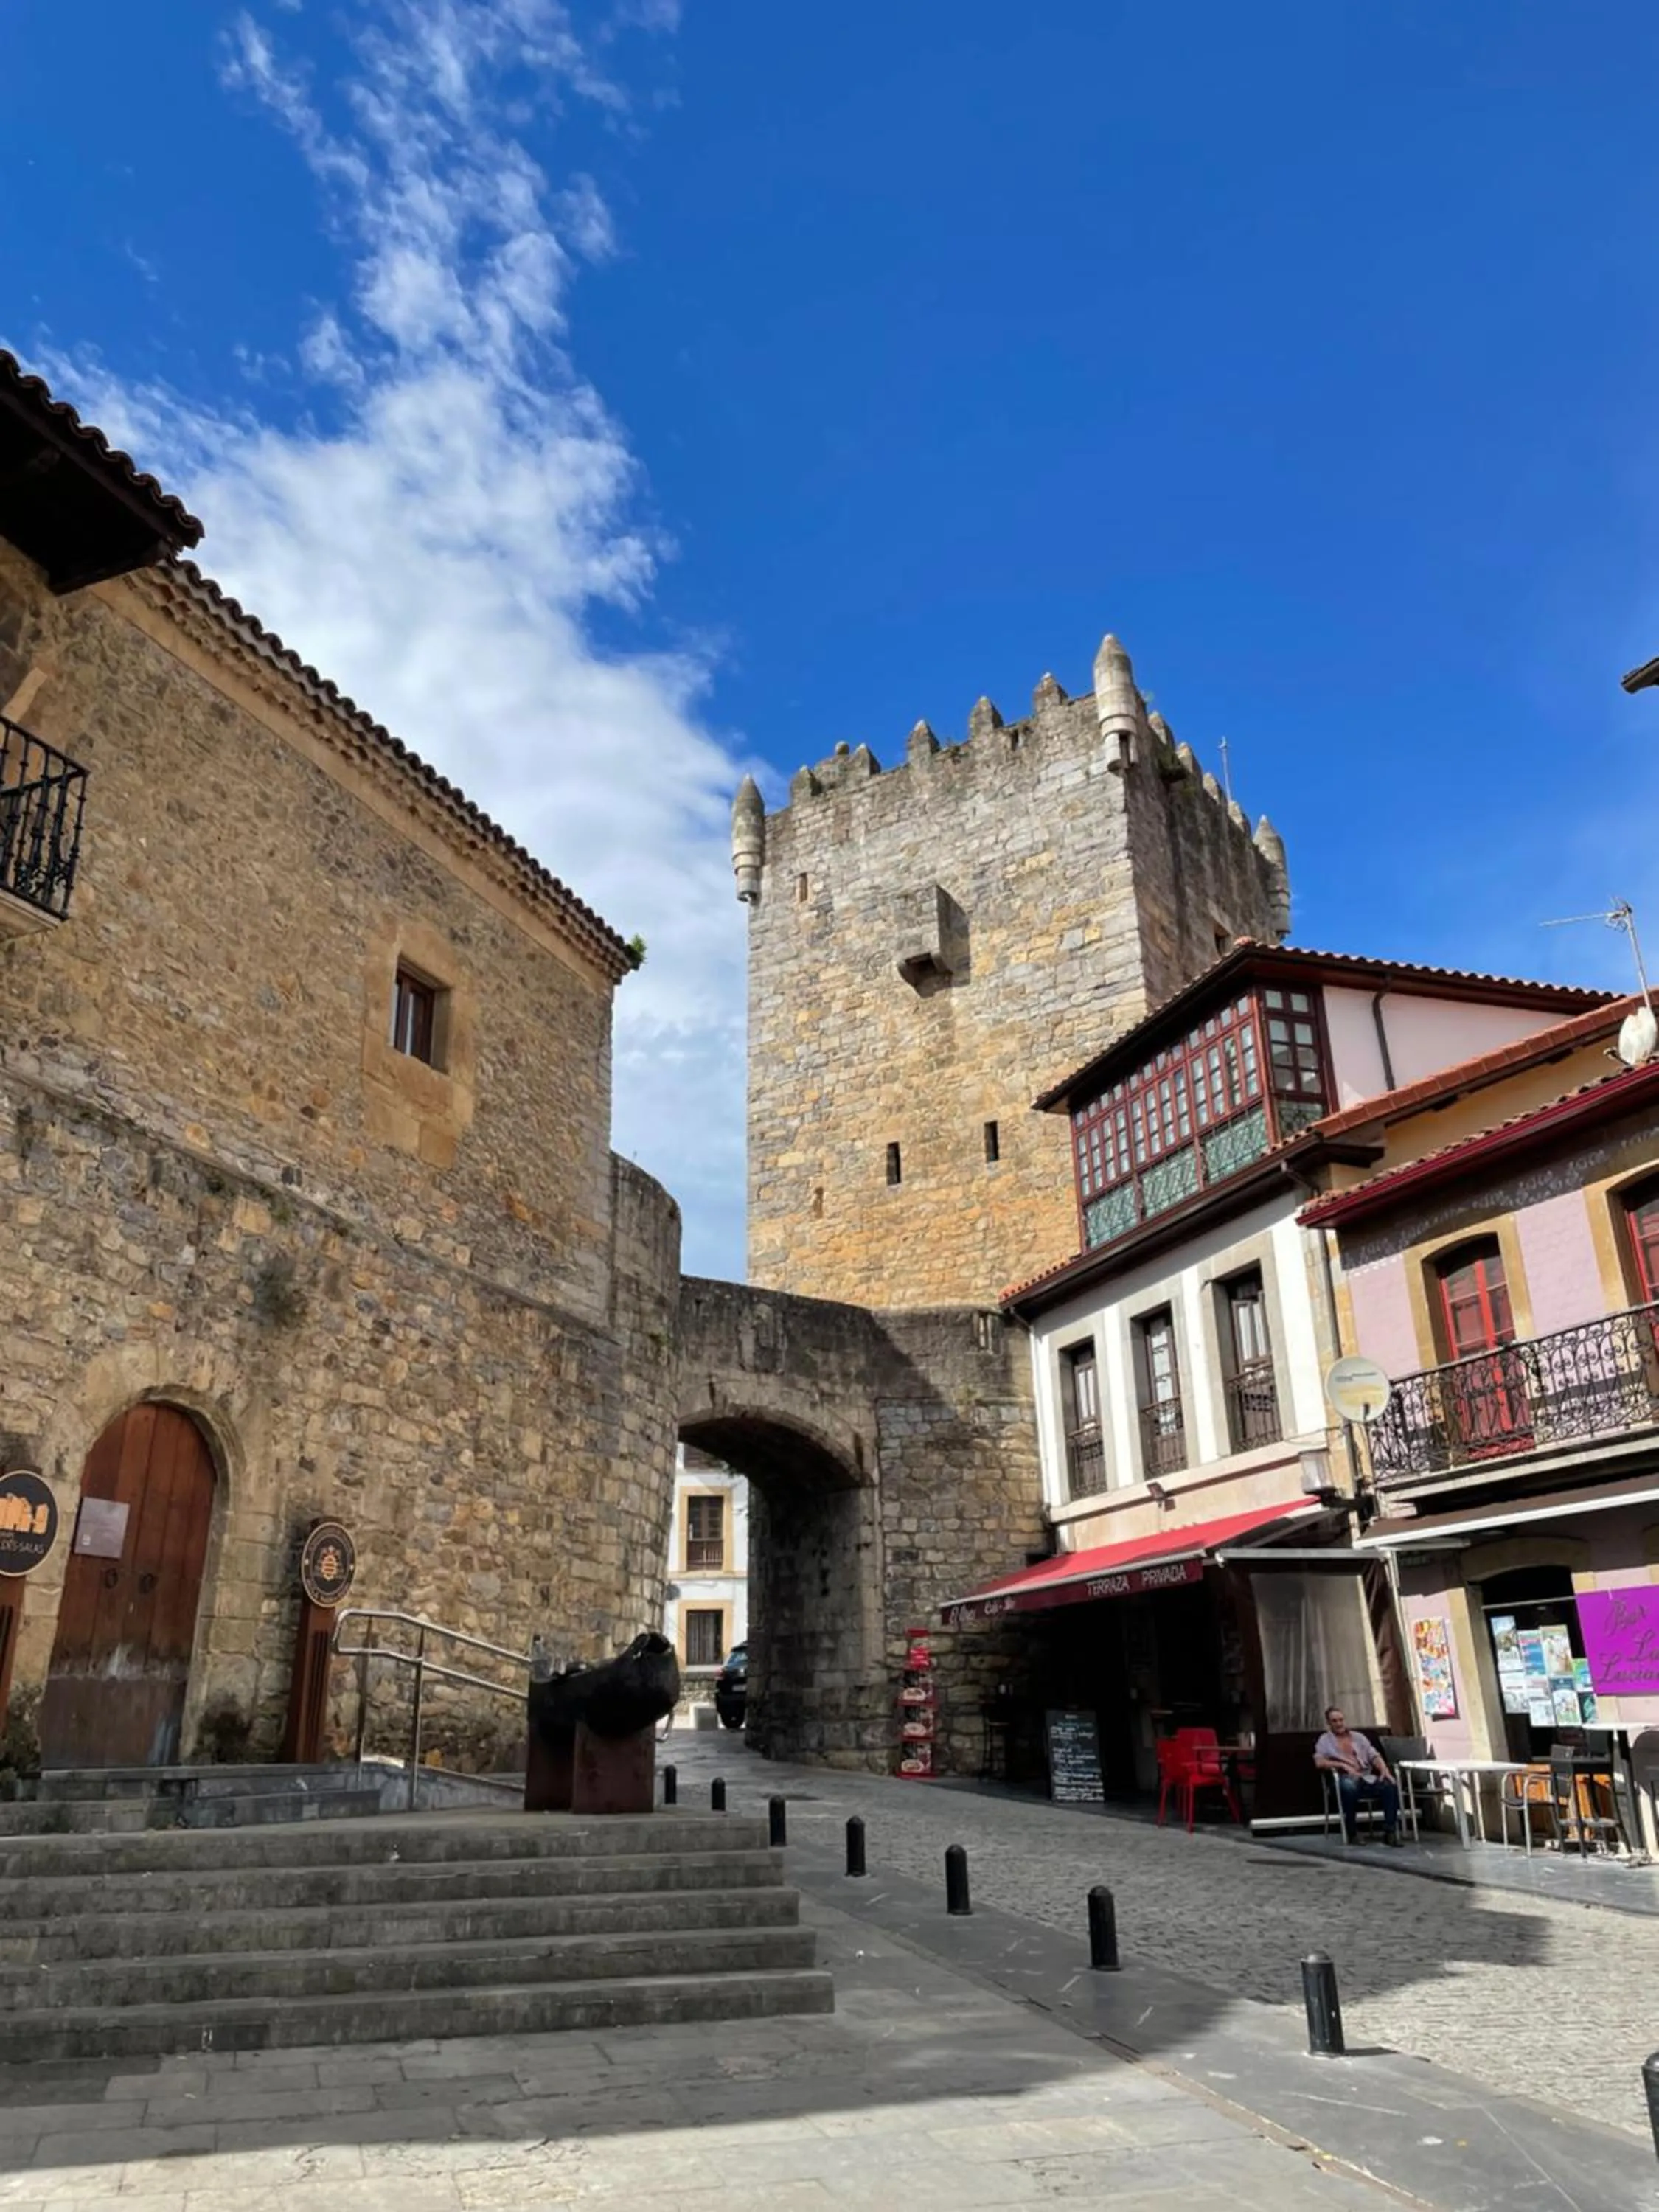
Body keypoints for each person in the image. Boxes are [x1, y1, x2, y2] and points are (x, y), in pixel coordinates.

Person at [1313, 1705, 1403, 1846]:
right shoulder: (1325, 1740)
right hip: (1343, 1779)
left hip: (1365, 1777)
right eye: (1335, 1721)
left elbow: (1374, 1755)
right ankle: (1352, 1832)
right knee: (1349, 1787)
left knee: (1390, 1785)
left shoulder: (1358, 1737)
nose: (1339, 1724)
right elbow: (1319, 1762)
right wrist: (1343, 1766)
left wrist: (1384, 1769)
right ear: (1329, 1723)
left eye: (1341, 1720)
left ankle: (1390, 1832)